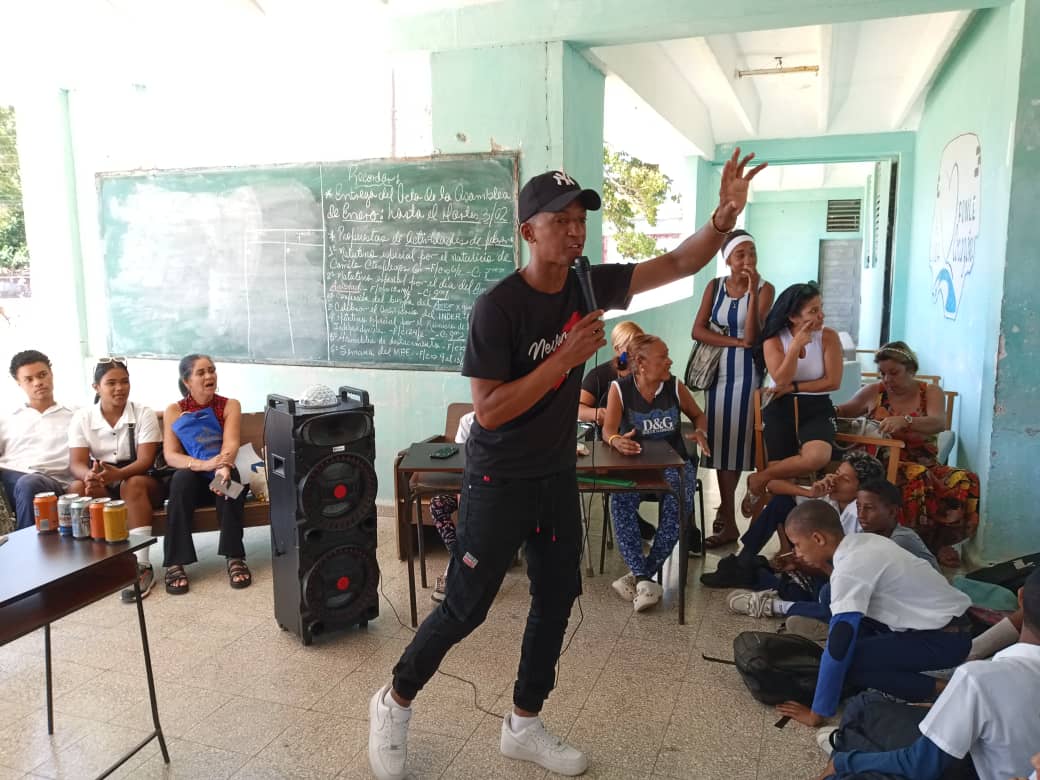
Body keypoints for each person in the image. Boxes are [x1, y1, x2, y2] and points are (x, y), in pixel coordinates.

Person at [368, 150, 766, 780]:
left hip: (555, 474)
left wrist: (723, 218)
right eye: (561, 219)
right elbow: (491, 411)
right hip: (498, 478)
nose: (575, 229)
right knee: (468, 605)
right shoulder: (496, 308)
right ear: (529, 230)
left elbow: (680, 262)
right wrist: (564, 358)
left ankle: (524, 723)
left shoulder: (589, 284)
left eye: (581, 218)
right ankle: (394, 701)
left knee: (558, 595)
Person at [816, 567, 1040, 780]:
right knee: (867, 709)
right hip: (985, 754)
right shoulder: (986, 677)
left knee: (861, 716)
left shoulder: (980, 678)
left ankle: (844, 749)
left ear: (1020, 599)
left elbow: (920, 766)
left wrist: (844, 762)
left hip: (974, 767)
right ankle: (849, 744)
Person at [772, 501, 971, 731]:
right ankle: (869, 655)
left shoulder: (850, 568)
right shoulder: (862, 542)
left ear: (818, 538)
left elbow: (838, 646)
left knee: (850, 660)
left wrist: (817, 713)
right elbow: (847, 583)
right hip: (952, 625)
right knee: (830, 597)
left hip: (946, 641)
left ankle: (944, 689)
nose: (796, 553)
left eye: (797, 545)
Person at [836, 341, 979, 567]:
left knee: (965, 479)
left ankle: (940, 543)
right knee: (916, 477)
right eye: (882, 373)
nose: (887, 380)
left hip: (925, 462)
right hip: (886, 464)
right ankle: (910, 543)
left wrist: (906, 420)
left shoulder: (930, 392)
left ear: (911, 369)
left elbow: (938, 422)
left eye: (894, 373)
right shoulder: (874, 392)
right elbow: (842, 412)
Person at [600, 334, 710, 612]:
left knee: (679, 505)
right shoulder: (620, 389)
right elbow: (608, 429)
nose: (670, 361)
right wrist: (615, 440)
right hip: (635, 466)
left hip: (672, 464)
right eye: (663, 356)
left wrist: (699, 430)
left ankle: (640, 576)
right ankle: (643, 578)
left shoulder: (674, 387)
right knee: (620, 501)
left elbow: (698, 415)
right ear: (641, 363)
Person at [692, 230, 774, 547]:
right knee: (720, 444)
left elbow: (752, 336)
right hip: (717, 373)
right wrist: (733, 341)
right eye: (740, 255)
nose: (748, 260)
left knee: (737, 447)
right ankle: (727, 517)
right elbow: (697, 330)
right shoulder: (714, 288)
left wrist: (752, 294)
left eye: (752, 253)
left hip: (747, 375)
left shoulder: (765, 290)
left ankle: (728, 520)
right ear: (727, 259)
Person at [702, 450, 884, 590]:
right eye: (835, 473)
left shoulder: (863, 518)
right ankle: (745, 561)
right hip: (810, 558)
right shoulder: (829, 497)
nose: (834, 480)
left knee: (800, 588)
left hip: (830, 570)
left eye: (844, 479)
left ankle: (757, 574)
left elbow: (846, 565)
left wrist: (805, 562)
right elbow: (772, 486)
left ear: (862, 489)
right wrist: (809, 492)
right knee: (781, 502)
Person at [741, 282, 842, 517]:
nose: (821, 316)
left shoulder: (828, 337)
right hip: (780, 406)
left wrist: (795, 387)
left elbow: (832, 381)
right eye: (813, 311)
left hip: (817, 406)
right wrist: (795, 347)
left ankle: (759, 477)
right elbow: (781, 379)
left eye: (821, 308)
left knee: (817, 456)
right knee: (782, 474)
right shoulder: (774, 340)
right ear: (794, 317)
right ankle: (787, 547)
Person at [68, 358, 163, 602]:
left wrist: (118, 475)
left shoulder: (143, 413)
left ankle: (141, 566)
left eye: (124, 382)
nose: (119, 388)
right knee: (77, 488)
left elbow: (146, 460)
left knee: (133, 485)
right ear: (96, 387)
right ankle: (89, 567)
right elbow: (77, 462)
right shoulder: (82, 417)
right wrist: (88, 476)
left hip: (139, 478)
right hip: (102, 475)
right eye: (111, 383)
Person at [161, 354, 249, 595]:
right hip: (194, 479)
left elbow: (230, 444)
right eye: (201, 373)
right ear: (187, 381)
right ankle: (175, 562)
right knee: (181, 479)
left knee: (231, 484)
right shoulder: (175, 410)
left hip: (221, 472)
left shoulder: (230, 405)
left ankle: (235, 557)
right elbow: (171, 455)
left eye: (211, 370)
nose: (209, 376)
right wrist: (202, 465)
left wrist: (221, 468)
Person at [0, 350, 76, 529]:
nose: (38, 383)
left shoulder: (75, 415)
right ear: (19, 383)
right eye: (29, 379)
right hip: (11, 481)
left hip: (53, 483)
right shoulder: (8, 419)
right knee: (26, 482)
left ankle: (24, 552)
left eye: (42, 375)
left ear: (51, 374)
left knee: (30, 483)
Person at [428, 410, 475, 603]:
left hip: (496, 492)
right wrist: (462, 496)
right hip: (468, 488)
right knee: (438, 504)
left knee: (474, 513)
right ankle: (460, 562)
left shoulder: (513, 417)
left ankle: (455, 572)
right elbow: (461, 465)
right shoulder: (467, 421)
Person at [578, 320, 643, 431]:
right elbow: (578, 409)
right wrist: (597, 413)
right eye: (631, 345)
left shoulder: (647, 372)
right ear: (617, 349)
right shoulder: (597, 375)